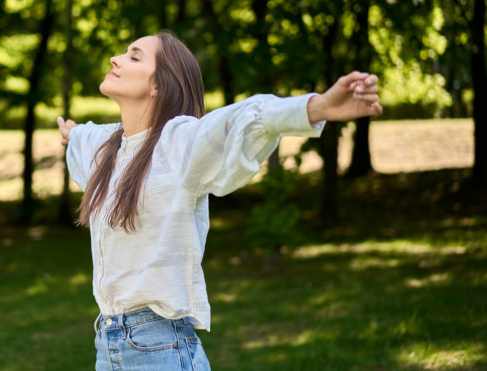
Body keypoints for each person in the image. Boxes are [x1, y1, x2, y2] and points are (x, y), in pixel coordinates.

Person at [56, 30, 381, 370]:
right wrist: (71, 133)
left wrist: (318, 106)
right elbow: (81, 138)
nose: (116, 59)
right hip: (108, 348)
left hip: (160, 348)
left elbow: (239, 121)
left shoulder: (178, 144)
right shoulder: (108, 146)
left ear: (159, 86)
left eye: (134, 56)